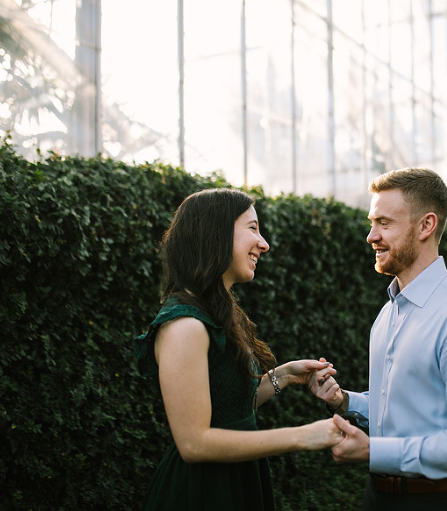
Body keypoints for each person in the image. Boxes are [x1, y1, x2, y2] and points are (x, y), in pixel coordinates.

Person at [134, 188, 342, 510]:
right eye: (253, 228)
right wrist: (302, 436)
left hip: (238, 481)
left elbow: (230, 409)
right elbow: (193, 443)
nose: (264, 243)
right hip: (204, 492)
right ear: (214, 233)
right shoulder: (184, 326)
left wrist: (283, 376)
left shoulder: (215, 313)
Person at [311, 167, 447, 511]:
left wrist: (374, 451)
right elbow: (401, 406)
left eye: (384, 223)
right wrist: (345, 402)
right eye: (372, 223)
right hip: (376, 497)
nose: (371, 236)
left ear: (426, 226)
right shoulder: (388, 312)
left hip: (436, 502)